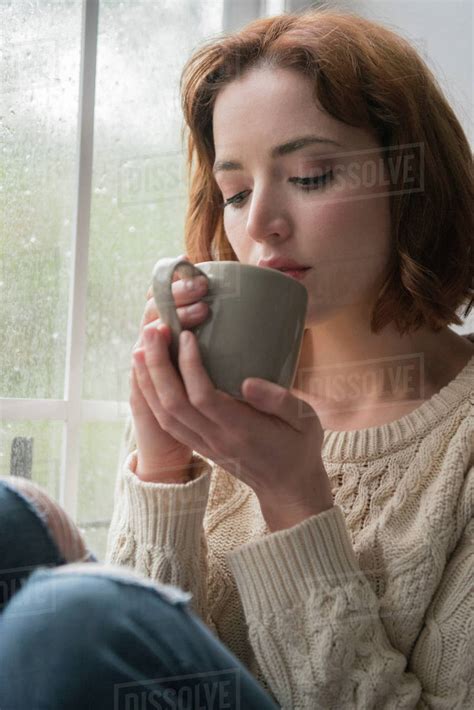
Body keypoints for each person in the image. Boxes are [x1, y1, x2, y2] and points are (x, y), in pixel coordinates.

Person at [0, 7, 473, 709]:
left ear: (412, 184)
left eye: (311, 176)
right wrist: (165, 468)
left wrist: (293, 499)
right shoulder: (216, 389)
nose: (258, 225)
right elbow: (140, 662)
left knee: (67, 621)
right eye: (236, 192)